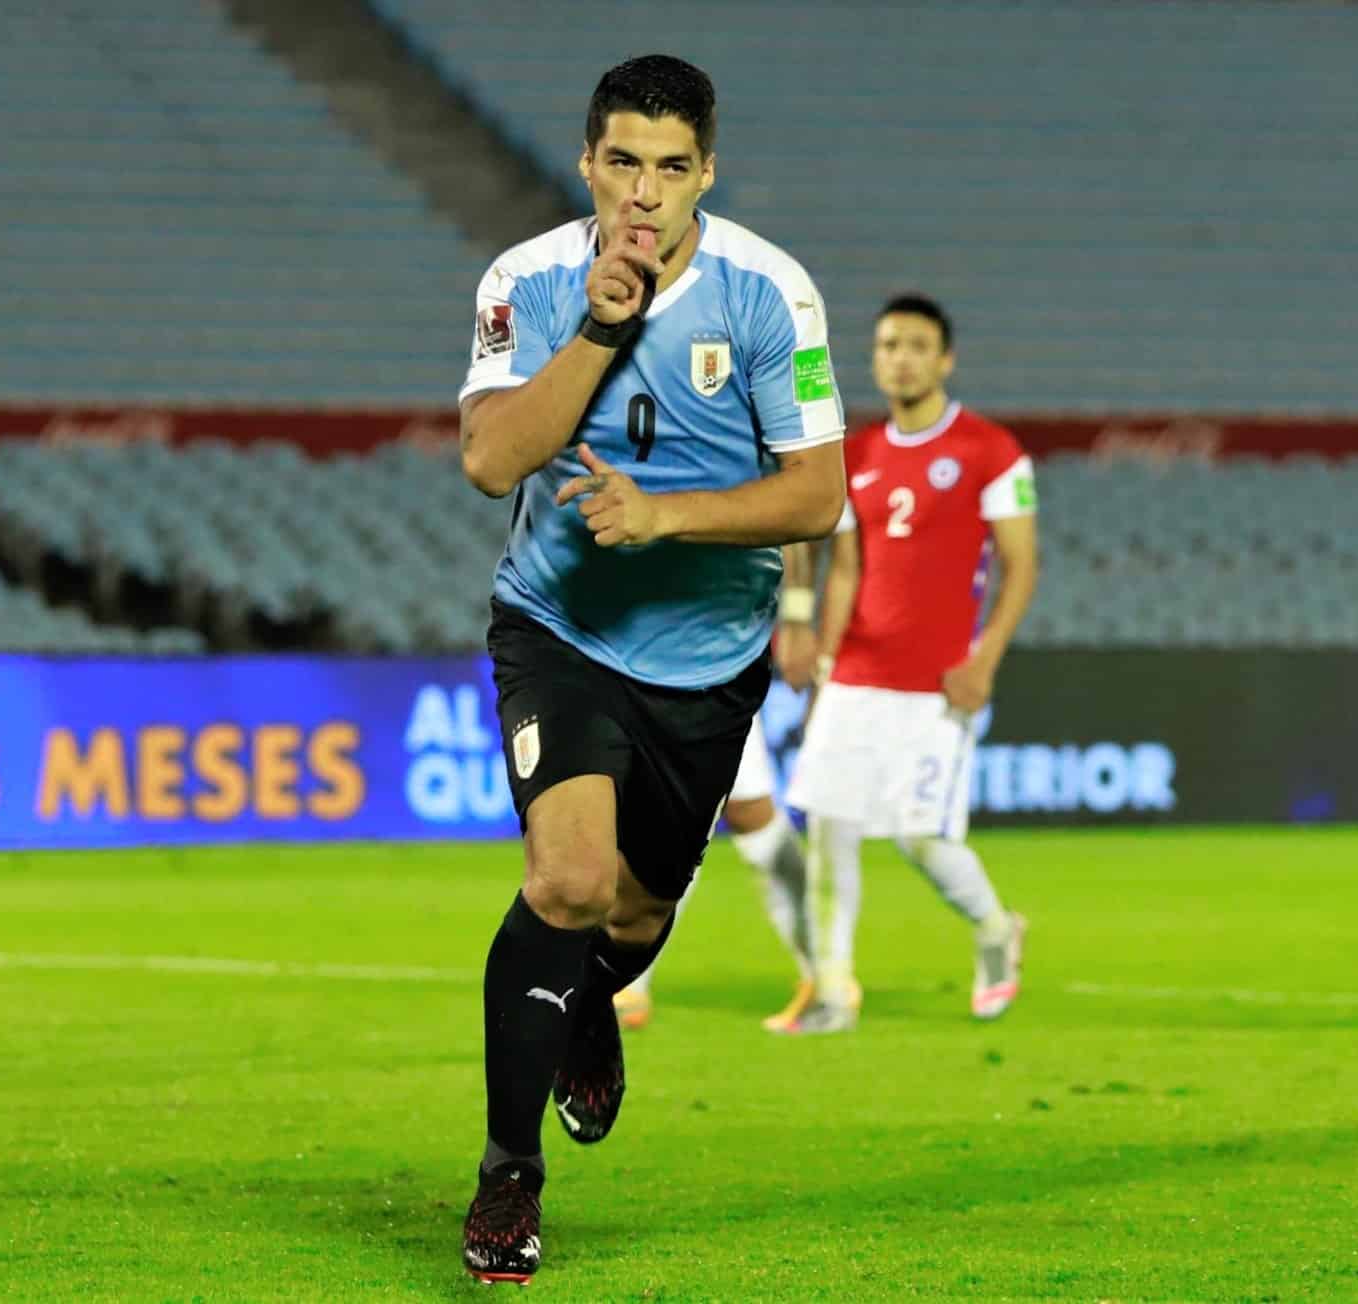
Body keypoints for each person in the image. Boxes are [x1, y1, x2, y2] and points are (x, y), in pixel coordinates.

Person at [454, 55, 845, 1284]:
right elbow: (489, 459)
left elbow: (820, 495)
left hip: (709, 658)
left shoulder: (771, 293)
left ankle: (587, 1009)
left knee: (634, 913)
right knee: (566, 882)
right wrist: (601, 326)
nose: (646, 192)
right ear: (588, 164)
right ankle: (509, 1176)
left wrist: (665, 517)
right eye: (623, 162)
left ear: (706, 174)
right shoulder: (526, 280)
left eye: (672, 168)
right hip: (559, 626)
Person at [781, 294, 1038, 1034]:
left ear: (944, 359)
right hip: (856, 674)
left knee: (921, 840)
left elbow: (1020, 566)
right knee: (827, 829)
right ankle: (833, 988)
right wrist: (816, 646)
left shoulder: (990, 451)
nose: (901, 357)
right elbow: (842, 567)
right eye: (889, 344)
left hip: (937, 685)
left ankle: (994, 930)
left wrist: (984, 658)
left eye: (917, 346)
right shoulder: (856, 454)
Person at [610, 707, 819, 1034]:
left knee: (750, 815)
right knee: (669, 822)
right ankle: (628, 981)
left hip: (719, 680)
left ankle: (825, 972)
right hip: (650, 681)